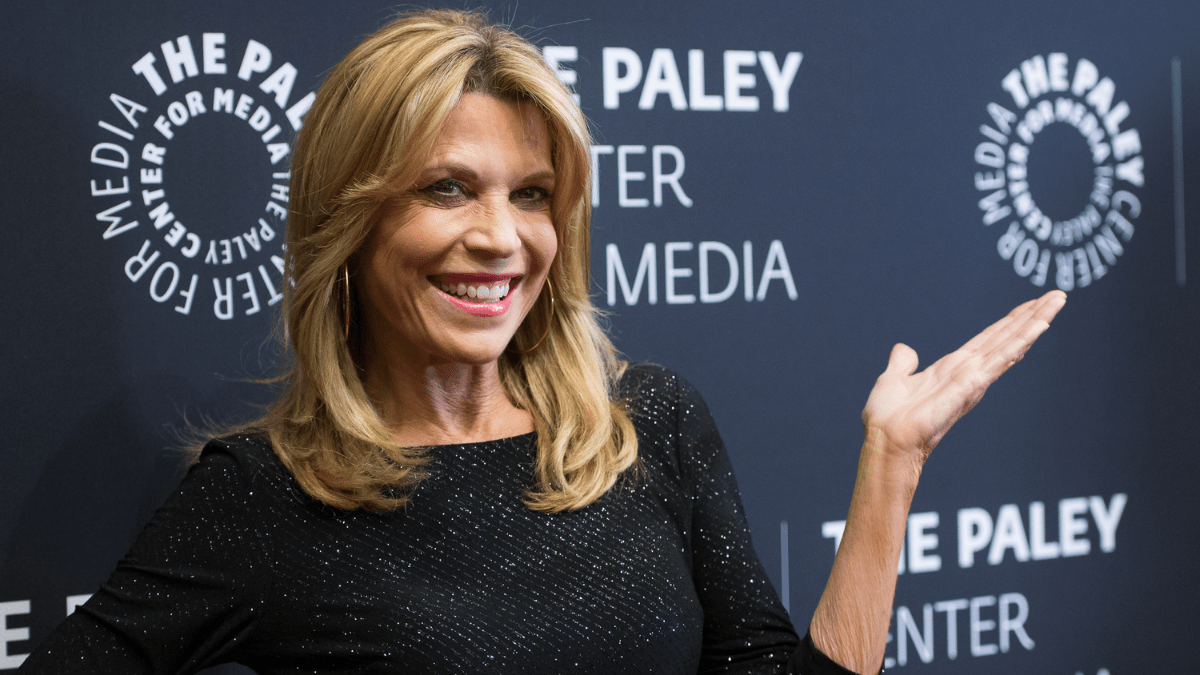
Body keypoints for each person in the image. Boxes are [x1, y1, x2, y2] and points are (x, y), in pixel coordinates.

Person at [19, 9, 1066, 675]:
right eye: (445, 189)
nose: (501, 237)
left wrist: (893, 465)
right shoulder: (261, 495)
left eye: (532, 195)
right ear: (350, 217)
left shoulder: (648, 422)